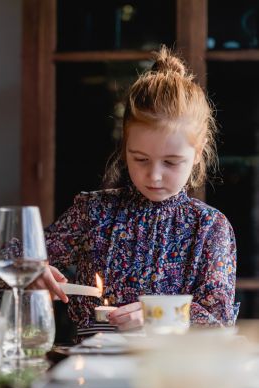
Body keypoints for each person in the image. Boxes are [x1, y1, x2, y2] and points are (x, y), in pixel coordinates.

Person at [26, 46, 238, 332]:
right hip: (89, 369)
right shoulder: (93, 212)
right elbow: (6, 262)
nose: (154, 175)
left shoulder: (210, 227)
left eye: (171, 162)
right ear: (125, 148)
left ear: (198, 153)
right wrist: (31, 271)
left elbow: (219, 320)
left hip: (173, 373)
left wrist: (158, 314)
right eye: (140, 159)